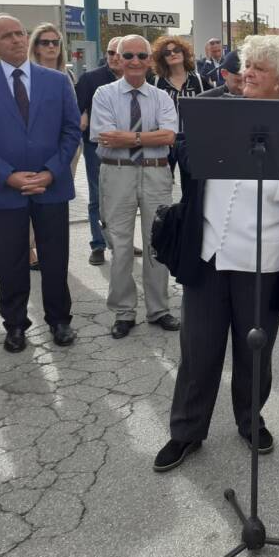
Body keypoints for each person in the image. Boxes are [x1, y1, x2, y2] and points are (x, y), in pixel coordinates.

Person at [154, 35, 279, 471]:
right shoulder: (213, 107)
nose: (246, 73)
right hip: (209, 253)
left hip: (263, 259)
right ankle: (186, 431)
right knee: (198, 350)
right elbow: (185, 154)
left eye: (259, 69)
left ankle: (250, 421)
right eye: (247, 66)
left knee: (255, 351)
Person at [0, 14, 80, 353]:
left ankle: (60, 320)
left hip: (50, 186)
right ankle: (15, 325)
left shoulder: (56, 81)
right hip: (3, 190)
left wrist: (51, 171)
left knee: (55, 259)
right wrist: (8, 175)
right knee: (9, 261)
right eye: (6, 36)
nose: (16, 40)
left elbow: (71, 132)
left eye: (20, 33)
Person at [90, 35, 181, 340]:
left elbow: (169, 136)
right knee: (121, 245)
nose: (135, 61)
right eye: (127, 55)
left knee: (157, 243)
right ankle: (123, 312)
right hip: (117, 174)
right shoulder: (103, 94)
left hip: (155, 174)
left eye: (142, 55)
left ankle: (159, 309)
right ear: (116, 57)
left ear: (149, 61)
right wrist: (149, 135)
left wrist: (129, 137)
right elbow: (104, 136)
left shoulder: (162, 97)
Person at [28, 23, 82, 271]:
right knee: (33, 195)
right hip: (35, 148)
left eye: (55, 42)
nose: (51, 46)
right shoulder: (27, 74)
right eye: (45, 42)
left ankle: (50, 249)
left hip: (66, 148)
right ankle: (31, 248)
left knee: (56, 200)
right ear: (35, 46)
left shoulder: (67, 75)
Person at [75, 37, 123, 265]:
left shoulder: (139, 78)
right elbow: (76, 109)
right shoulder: (90, 78)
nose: (116, 57)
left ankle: (120, 242)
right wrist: (84, 112)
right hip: (97, 148)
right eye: (112, 52)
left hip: (129, 148)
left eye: (120, 52)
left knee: (124, 198)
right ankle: (98, 244)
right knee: (98, 197)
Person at [152, 35, 205, 190]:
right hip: (164, 141)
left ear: (184, 53)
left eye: (176, 50)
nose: (172, 54)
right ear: (162, 59)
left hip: (192, 142)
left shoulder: (200, 81)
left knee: (192, 189)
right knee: (161, 186)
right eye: (167, 53)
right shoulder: (156, 82)